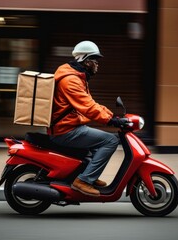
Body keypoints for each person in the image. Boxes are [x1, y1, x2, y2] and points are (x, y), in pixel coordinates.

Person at [48, 40, 126, 197]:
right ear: (86, 60)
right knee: (110, 141)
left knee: (99, 142)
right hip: (65, 130)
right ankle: (83, 180)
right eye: (95, 60)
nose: (97, 64)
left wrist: (112, 116)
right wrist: (112, 121)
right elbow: (88, 107)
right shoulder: (70, 80)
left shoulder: (77, 76)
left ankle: (90, 175)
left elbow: (91, 103)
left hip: (69, 126)